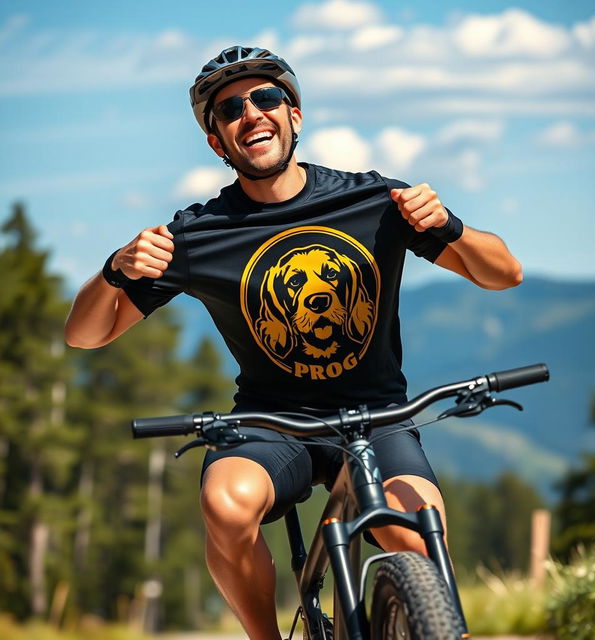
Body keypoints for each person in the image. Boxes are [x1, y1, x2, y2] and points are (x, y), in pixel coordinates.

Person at [65, 46, 522, 640]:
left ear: (295, 114)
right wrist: (115, 269)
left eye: (268, 97)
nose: (251, 113)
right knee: (227, 507)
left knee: (418, 531)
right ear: (217, 142)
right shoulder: (197, 235)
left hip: (381, 415)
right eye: (230, 109)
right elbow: (84, 334)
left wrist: (449, 225)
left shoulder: (375, 202)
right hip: (271, 423)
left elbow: (503, 273)